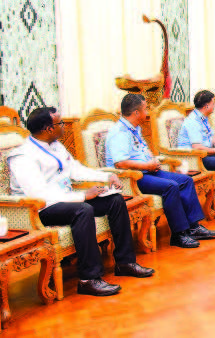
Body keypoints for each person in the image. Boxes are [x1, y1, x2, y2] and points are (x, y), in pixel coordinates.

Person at [8, 107, 155, 297]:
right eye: (60, 123)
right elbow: (39, 195)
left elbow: (76, 170)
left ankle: (125, 262)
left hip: (66, 199)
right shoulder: (22, 156)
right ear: (48, 129)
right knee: (83, 210)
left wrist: (106, 177)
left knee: (115, 200)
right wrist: (83, 196)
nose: (64, 126)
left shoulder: (55, 145)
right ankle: (89, 279)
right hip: (40, 209)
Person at [106, 94, 215, 249]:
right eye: (145, 109)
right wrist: (147, 166)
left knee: (186, 180)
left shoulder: (134, 128)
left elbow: (141, 151)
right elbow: (121, 163)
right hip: (133, 178)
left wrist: (154, 161)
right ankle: (179, 234)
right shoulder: (119, 132)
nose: (147, 112)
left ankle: (194, 227)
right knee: (171, 186)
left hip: (148, 170)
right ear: (136, 113)